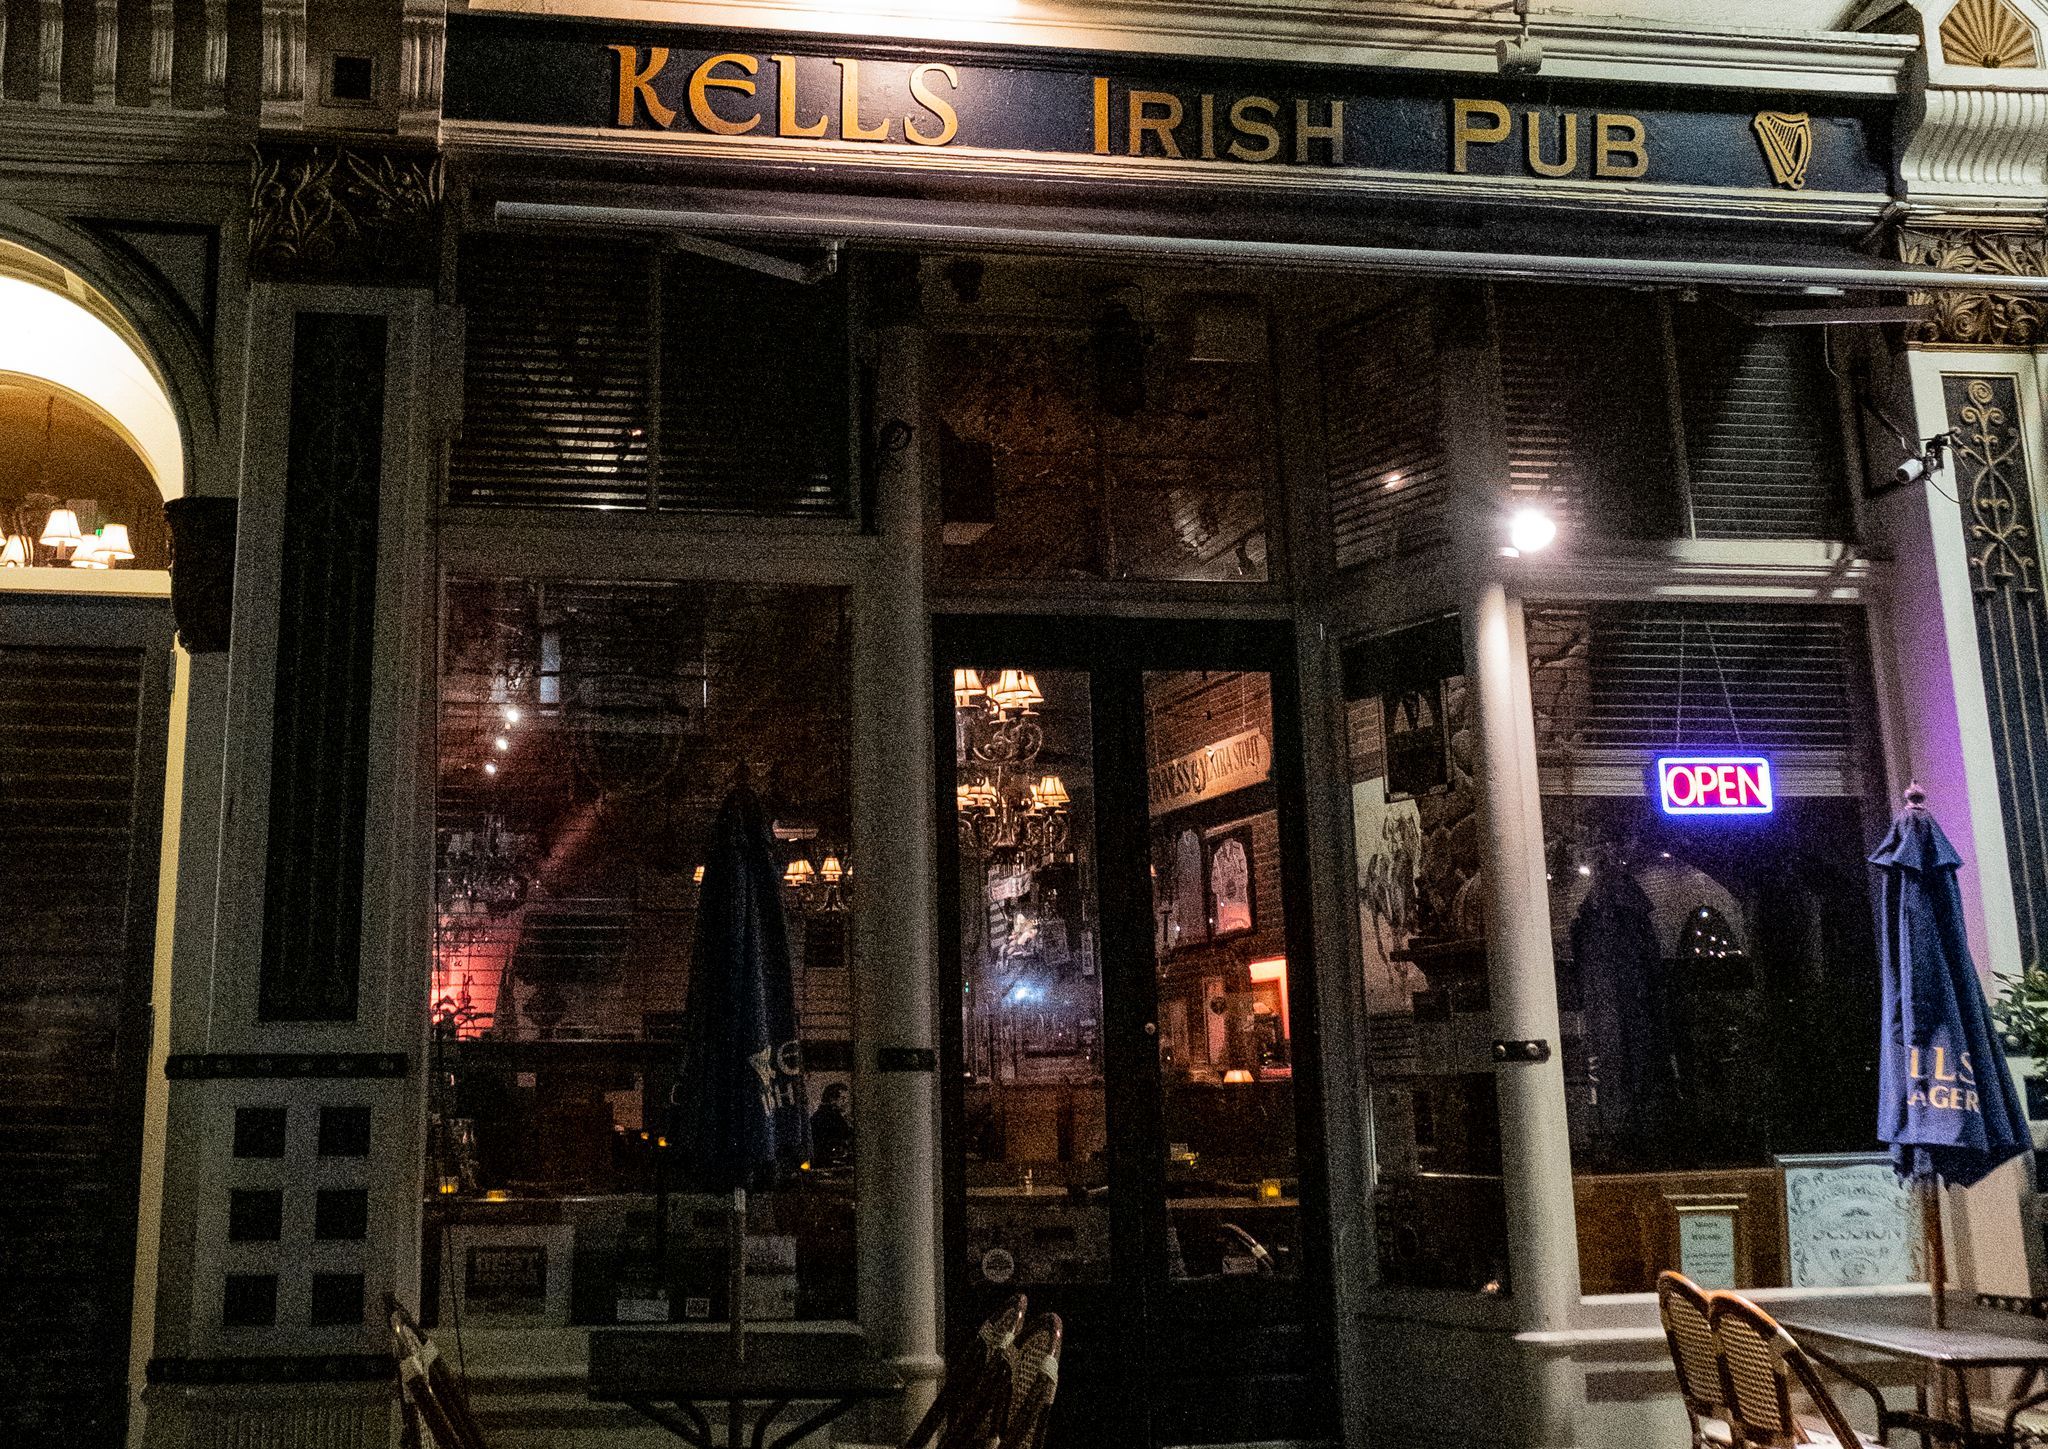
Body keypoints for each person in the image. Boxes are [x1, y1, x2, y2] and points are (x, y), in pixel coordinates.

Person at [810, 1082, 854, 1169]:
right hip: (829, 1163)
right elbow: (846, 1136)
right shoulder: (833, 1117)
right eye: (843, 1099)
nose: (845, 1102)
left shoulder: (818, 1115)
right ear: (832, 1099)